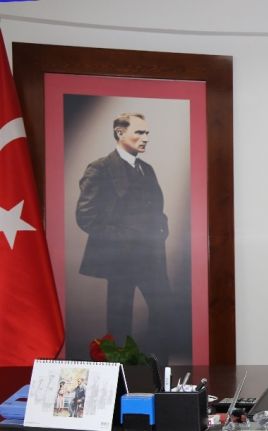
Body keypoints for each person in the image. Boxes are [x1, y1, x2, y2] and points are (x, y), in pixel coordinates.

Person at [76, 113, 170, 361]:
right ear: (120, 133)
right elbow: (86, 217)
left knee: (164, 311)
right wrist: (124, 238)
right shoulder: (100, 168)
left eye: (147, 133)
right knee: (119, 322)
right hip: (120, 260)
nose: (146, 138)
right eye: (139, 132)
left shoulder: (146, 169)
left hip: (152, 258)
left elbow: (156, 209)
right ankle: (121, 377)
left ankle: (159, 371)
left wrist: (162, 226)